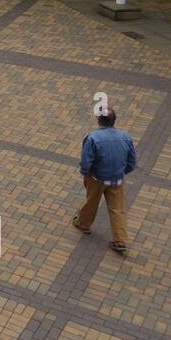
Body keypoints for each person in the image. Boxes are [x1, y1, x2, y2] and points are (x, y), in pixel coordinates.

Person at [72, 106, 137, 256]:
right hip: (117, 179)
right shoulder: (125, 137)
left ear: (99, 120)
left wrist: (85, 173)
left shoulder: (93, 138)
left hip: (97, 178)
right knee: (117, 209)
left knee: (92, 202)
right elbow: (132, 162)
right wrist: (121, 172)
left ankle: (83, 223)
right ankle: (120, 240)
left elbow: (86, 161)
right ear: (114, 121)